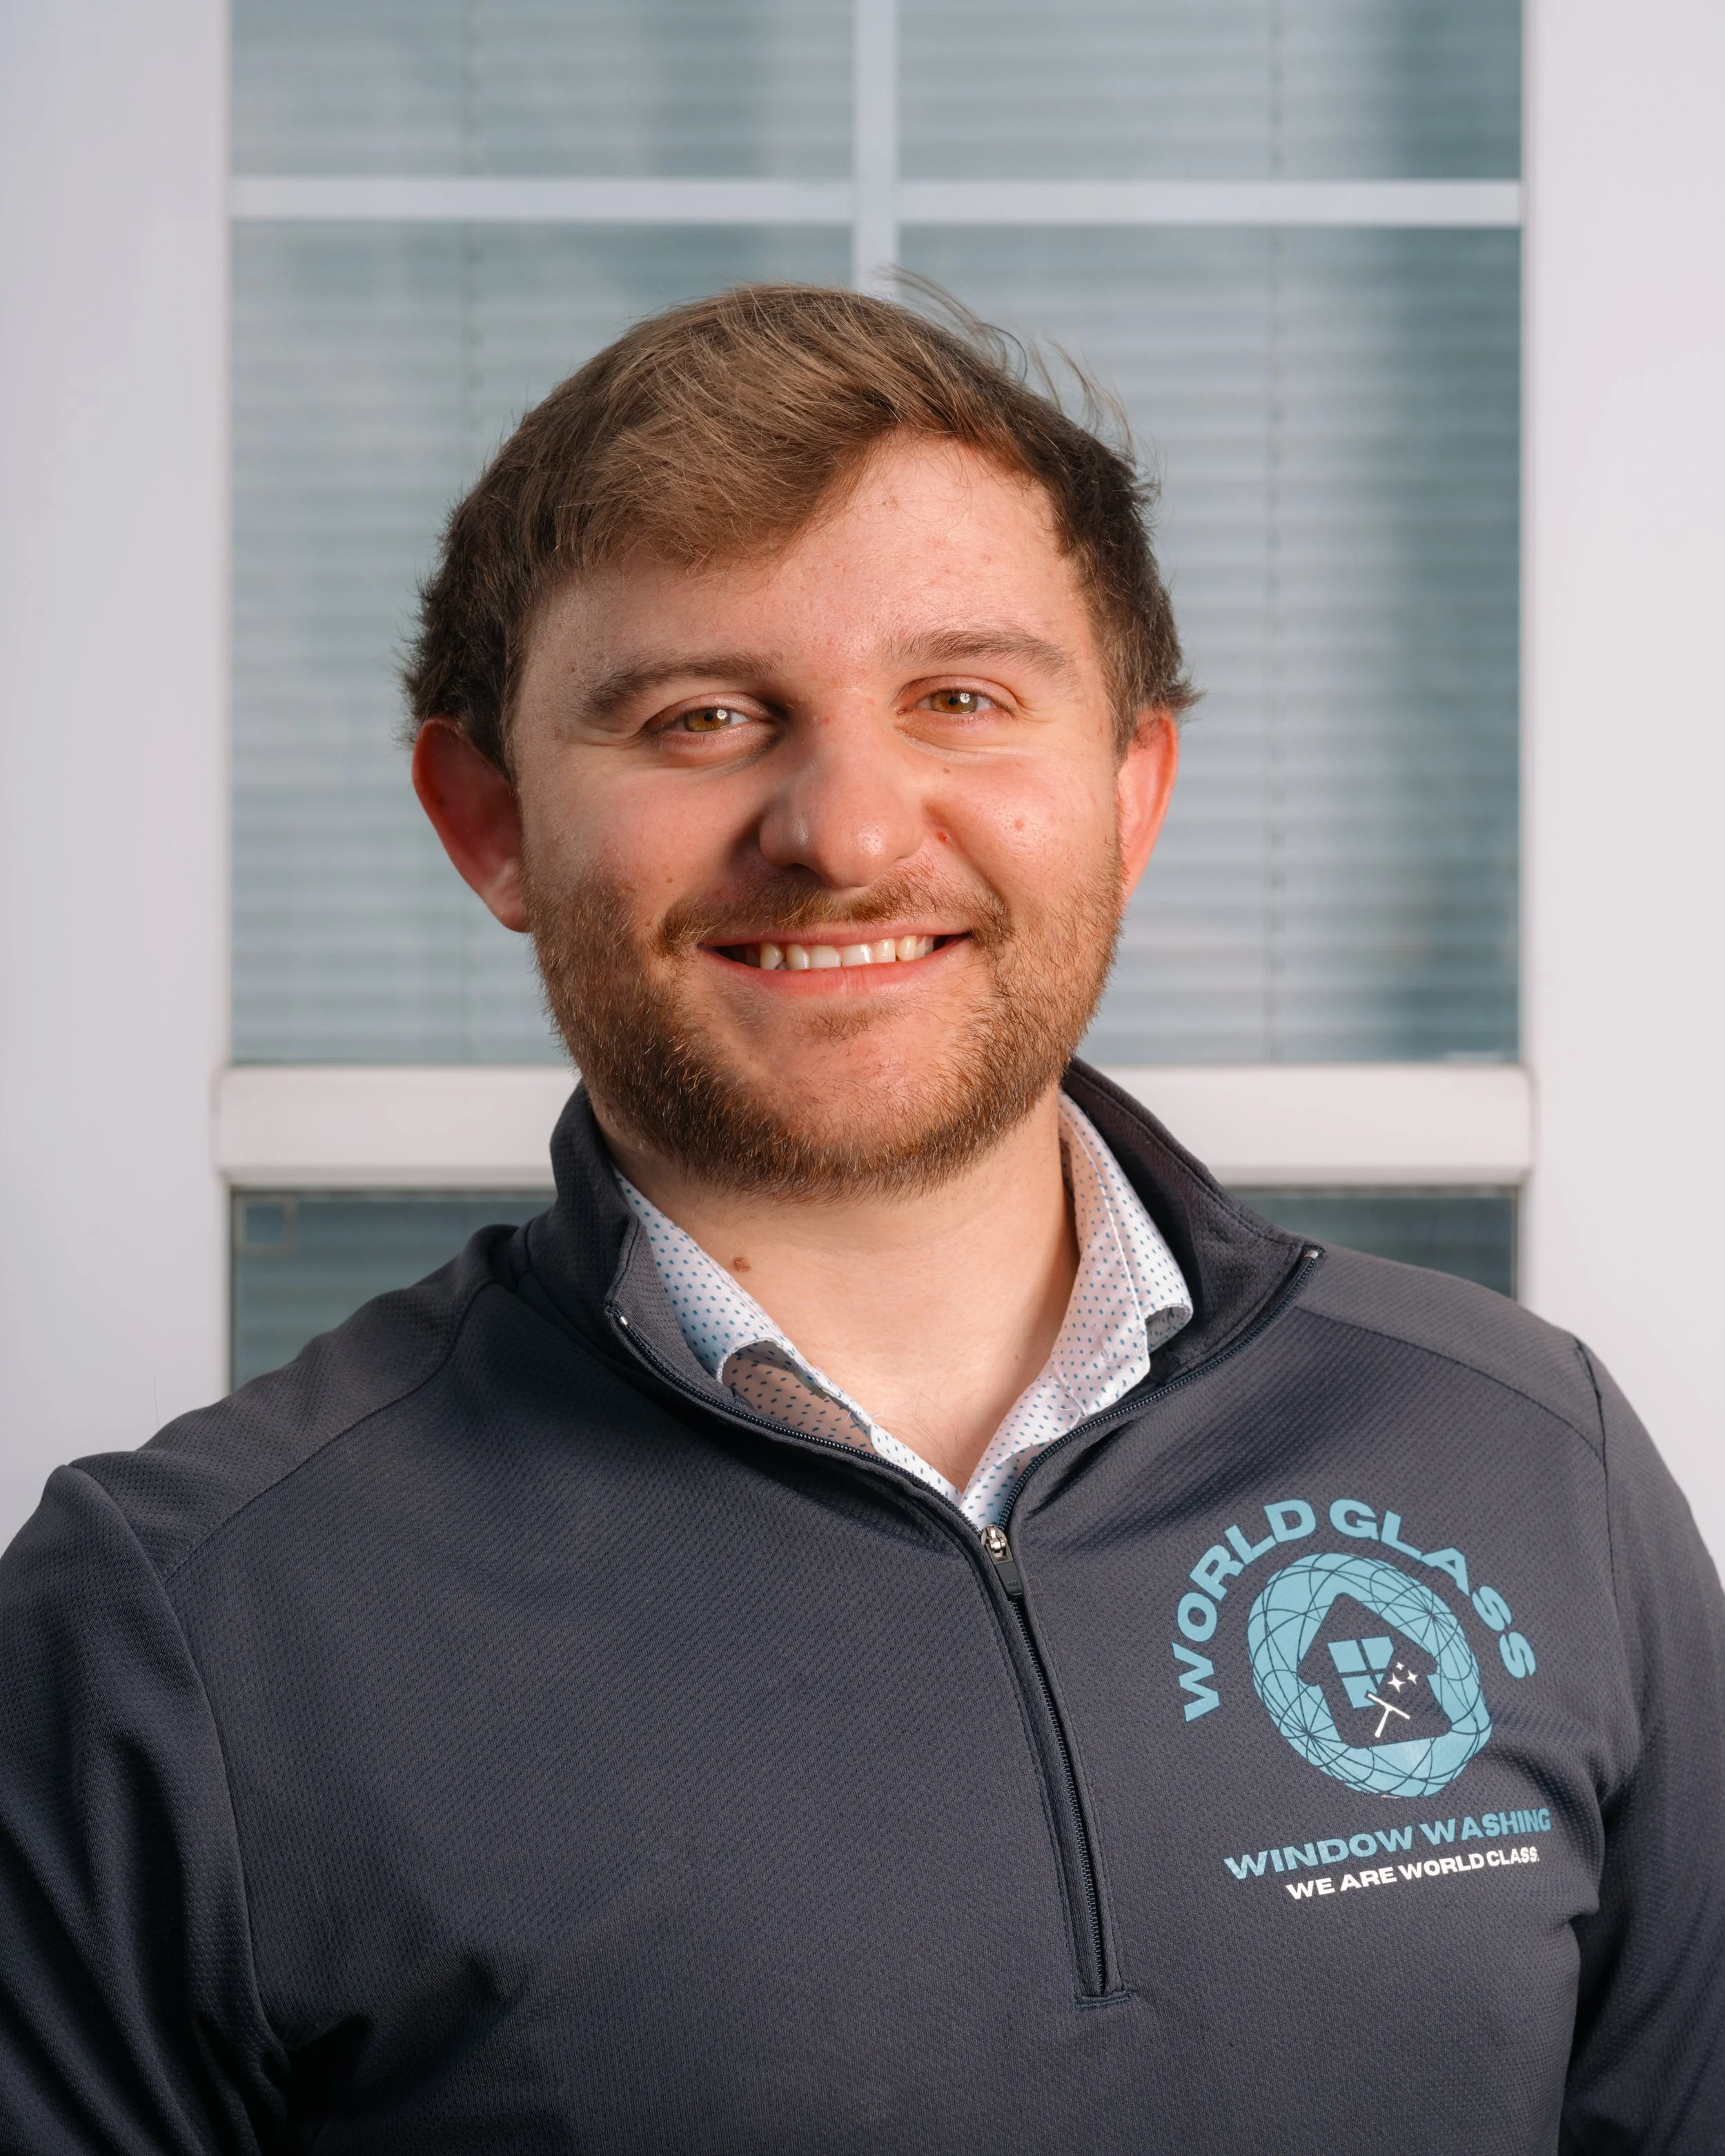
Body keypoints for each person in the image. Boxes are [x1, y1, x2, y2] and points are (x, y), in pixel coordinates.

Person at [1, 286, 1720, 2156]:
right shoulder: (167, 1625)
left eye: (961, 698)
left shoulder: (1523, 1447)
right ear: (484, 818)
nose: (843, 828)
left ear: (1130, 787)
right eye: (705, 715)